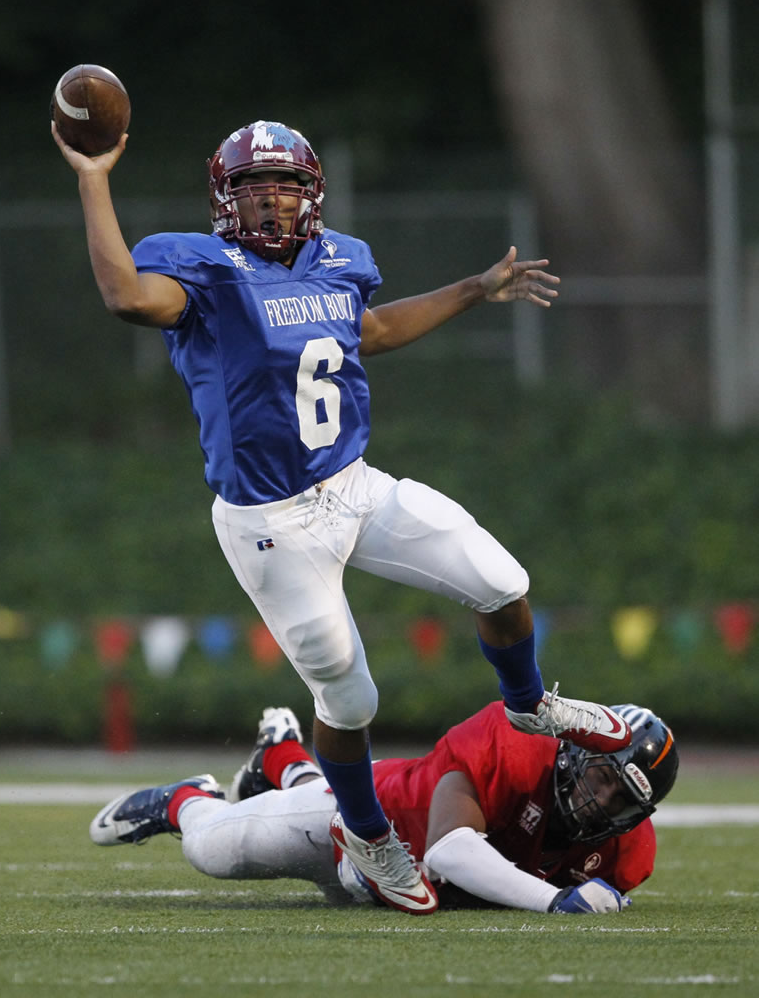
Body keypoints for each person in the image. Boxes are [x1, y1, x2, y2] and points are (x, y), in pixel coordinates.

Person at [54, 116, 632, 916]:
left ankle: (529, 700)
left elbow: (370, 331)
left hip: (354, 485)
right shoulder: (202, 268)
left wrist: (472, 289)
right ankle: (367, 834)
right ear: (227, 200)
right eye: (254, 192)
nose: (271, 206)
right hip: (271, 520)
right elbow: (124, 295)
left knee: (501, 580)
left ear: (310, 195)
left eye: (285, 189)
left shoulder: (340, 261)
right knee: (351, 699)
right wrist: (93, 176)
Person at [90, 702, 678, 915]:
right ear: (577, 752)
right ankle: (185, 800)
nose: (600, 803)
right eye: (602, 779)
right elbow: (450, 849)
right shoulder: (513, 744)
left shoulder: (628, 854)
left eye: (621, 801)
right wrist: (554, 900)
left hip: (379, 884)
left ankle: (281, 756)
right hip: (359, 820)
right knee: (213, 850)